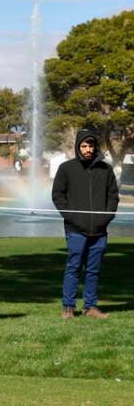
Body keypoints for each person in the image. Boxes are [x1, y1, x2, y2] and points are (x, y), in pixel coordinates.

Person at [51, 128, 119, 319]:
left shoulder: (106, 170)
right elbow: (57, 195)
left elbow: (113, 197)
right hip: (75, 229)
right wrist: (72, 217)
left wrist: (104, 218)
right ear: (78, 147)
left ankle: (90, 307)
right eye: (84, 146)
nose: (88, 149)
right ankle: (68, 308)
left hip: (99, 231)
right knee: (73, 268)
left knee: (93, 270)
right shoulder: (67, 168)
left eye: (91, 145)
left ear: (95, 147)